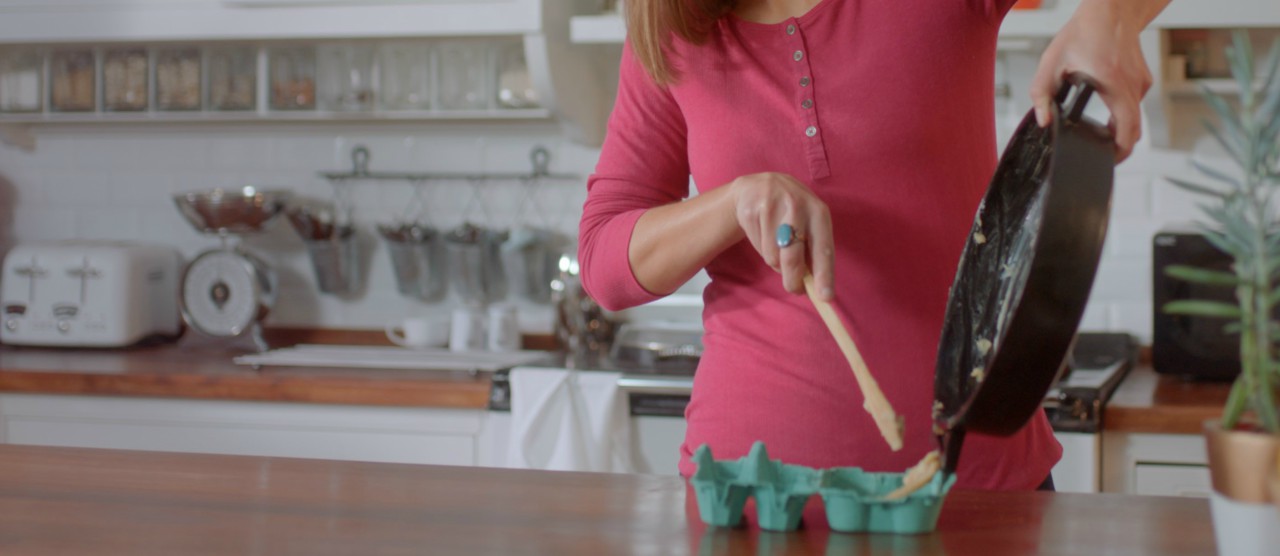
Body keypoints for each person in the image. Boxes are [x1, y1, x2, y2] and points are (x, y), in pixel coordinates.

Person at [579, 0, 1171, 490]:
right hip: (748, 497)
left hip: (978, 491)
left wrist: (1109, 18)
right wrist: (733, 203)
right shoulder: (674, 30)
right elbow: (604, 260)